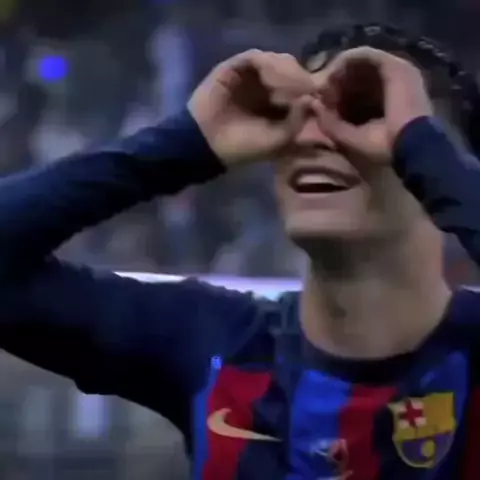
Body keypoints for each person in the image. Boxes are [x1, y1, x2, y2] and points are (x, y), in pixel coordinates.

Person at [0, 22, 479, 479]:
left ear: (442, 170)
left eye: (362, 111)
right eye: (293, 114)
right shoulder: (221, 344)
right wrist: (184, 143)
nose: (310, 137)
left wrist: (422, 147)